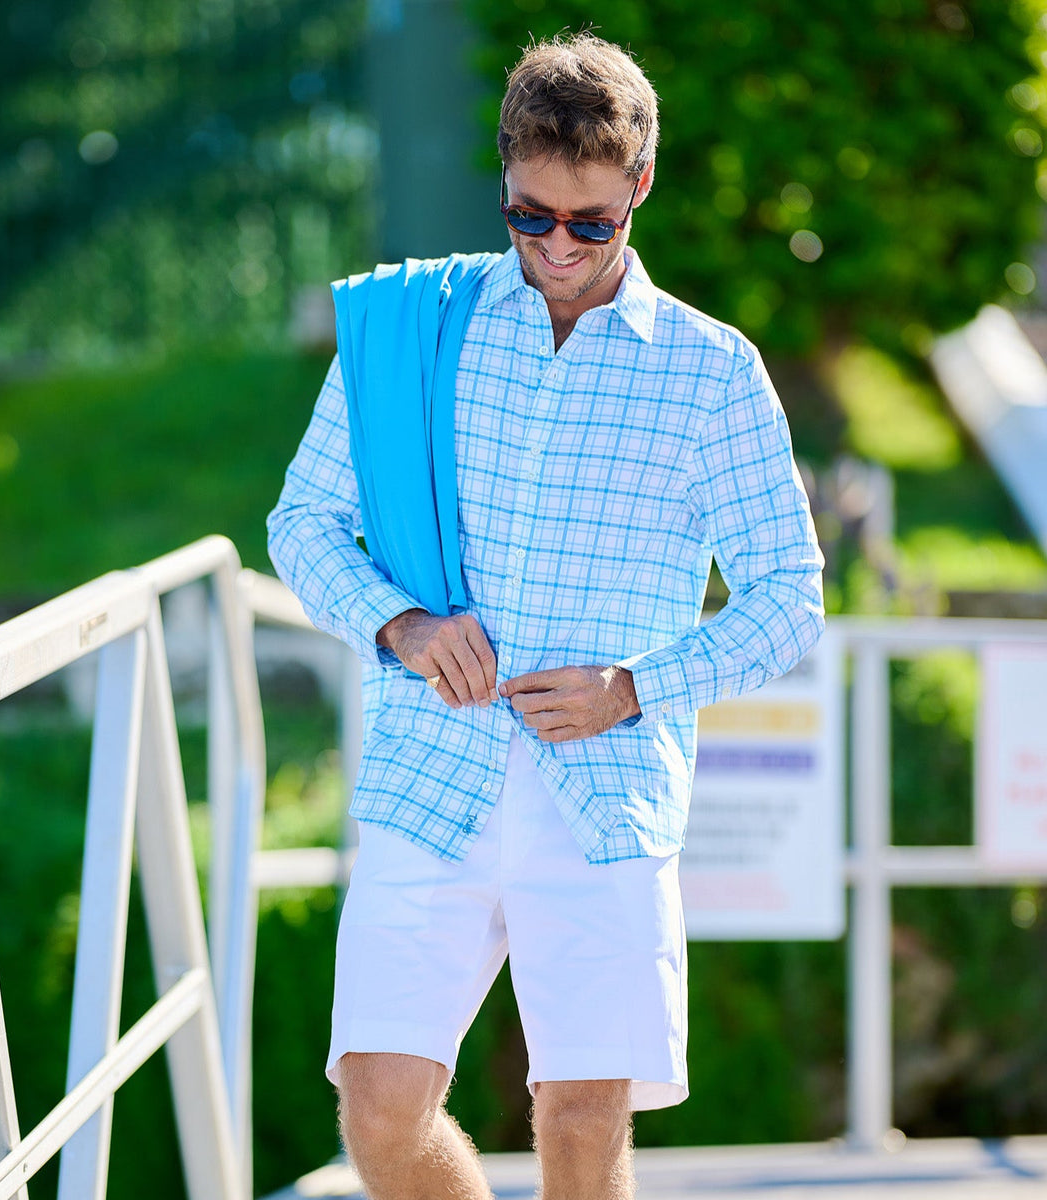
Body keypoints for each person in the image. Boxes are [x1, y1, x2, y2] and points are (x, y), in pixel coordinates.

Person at [267, 30, 825, 1200]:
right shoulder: (415, 331)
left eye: (588, 222)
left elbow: (789, 599)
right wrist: (402, 625)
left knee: (577, 1123)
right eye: (530, 217)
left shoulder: (713, 372)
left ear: (641, 188)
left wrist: (633, 687)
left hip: (606, 788)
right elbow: (303, 523)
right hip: (432, 767)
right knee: (378, 1111)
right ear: (505, 181)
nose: (556, 248)